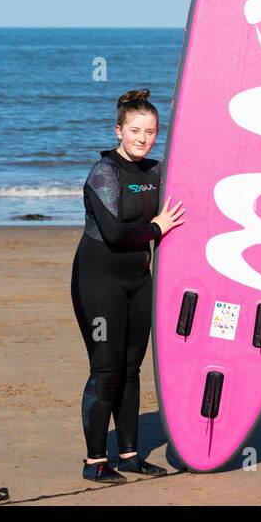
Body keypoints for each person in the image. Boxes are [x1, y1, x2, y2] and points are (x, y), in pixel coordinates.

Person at [71, 88, 186, 482]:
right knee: (106, 369)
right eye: (135, 130)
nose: (143, 138)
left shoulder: (156, 172)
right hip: (98, 280)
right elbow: (116, 233)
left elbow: (199, 187)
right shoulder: (104, 172)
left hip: (139, 281)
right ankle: (95, 461)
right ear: (118, 130)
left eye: (151, 131)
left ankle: (131, 455)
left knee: (132, 369)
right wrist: (157, 228)